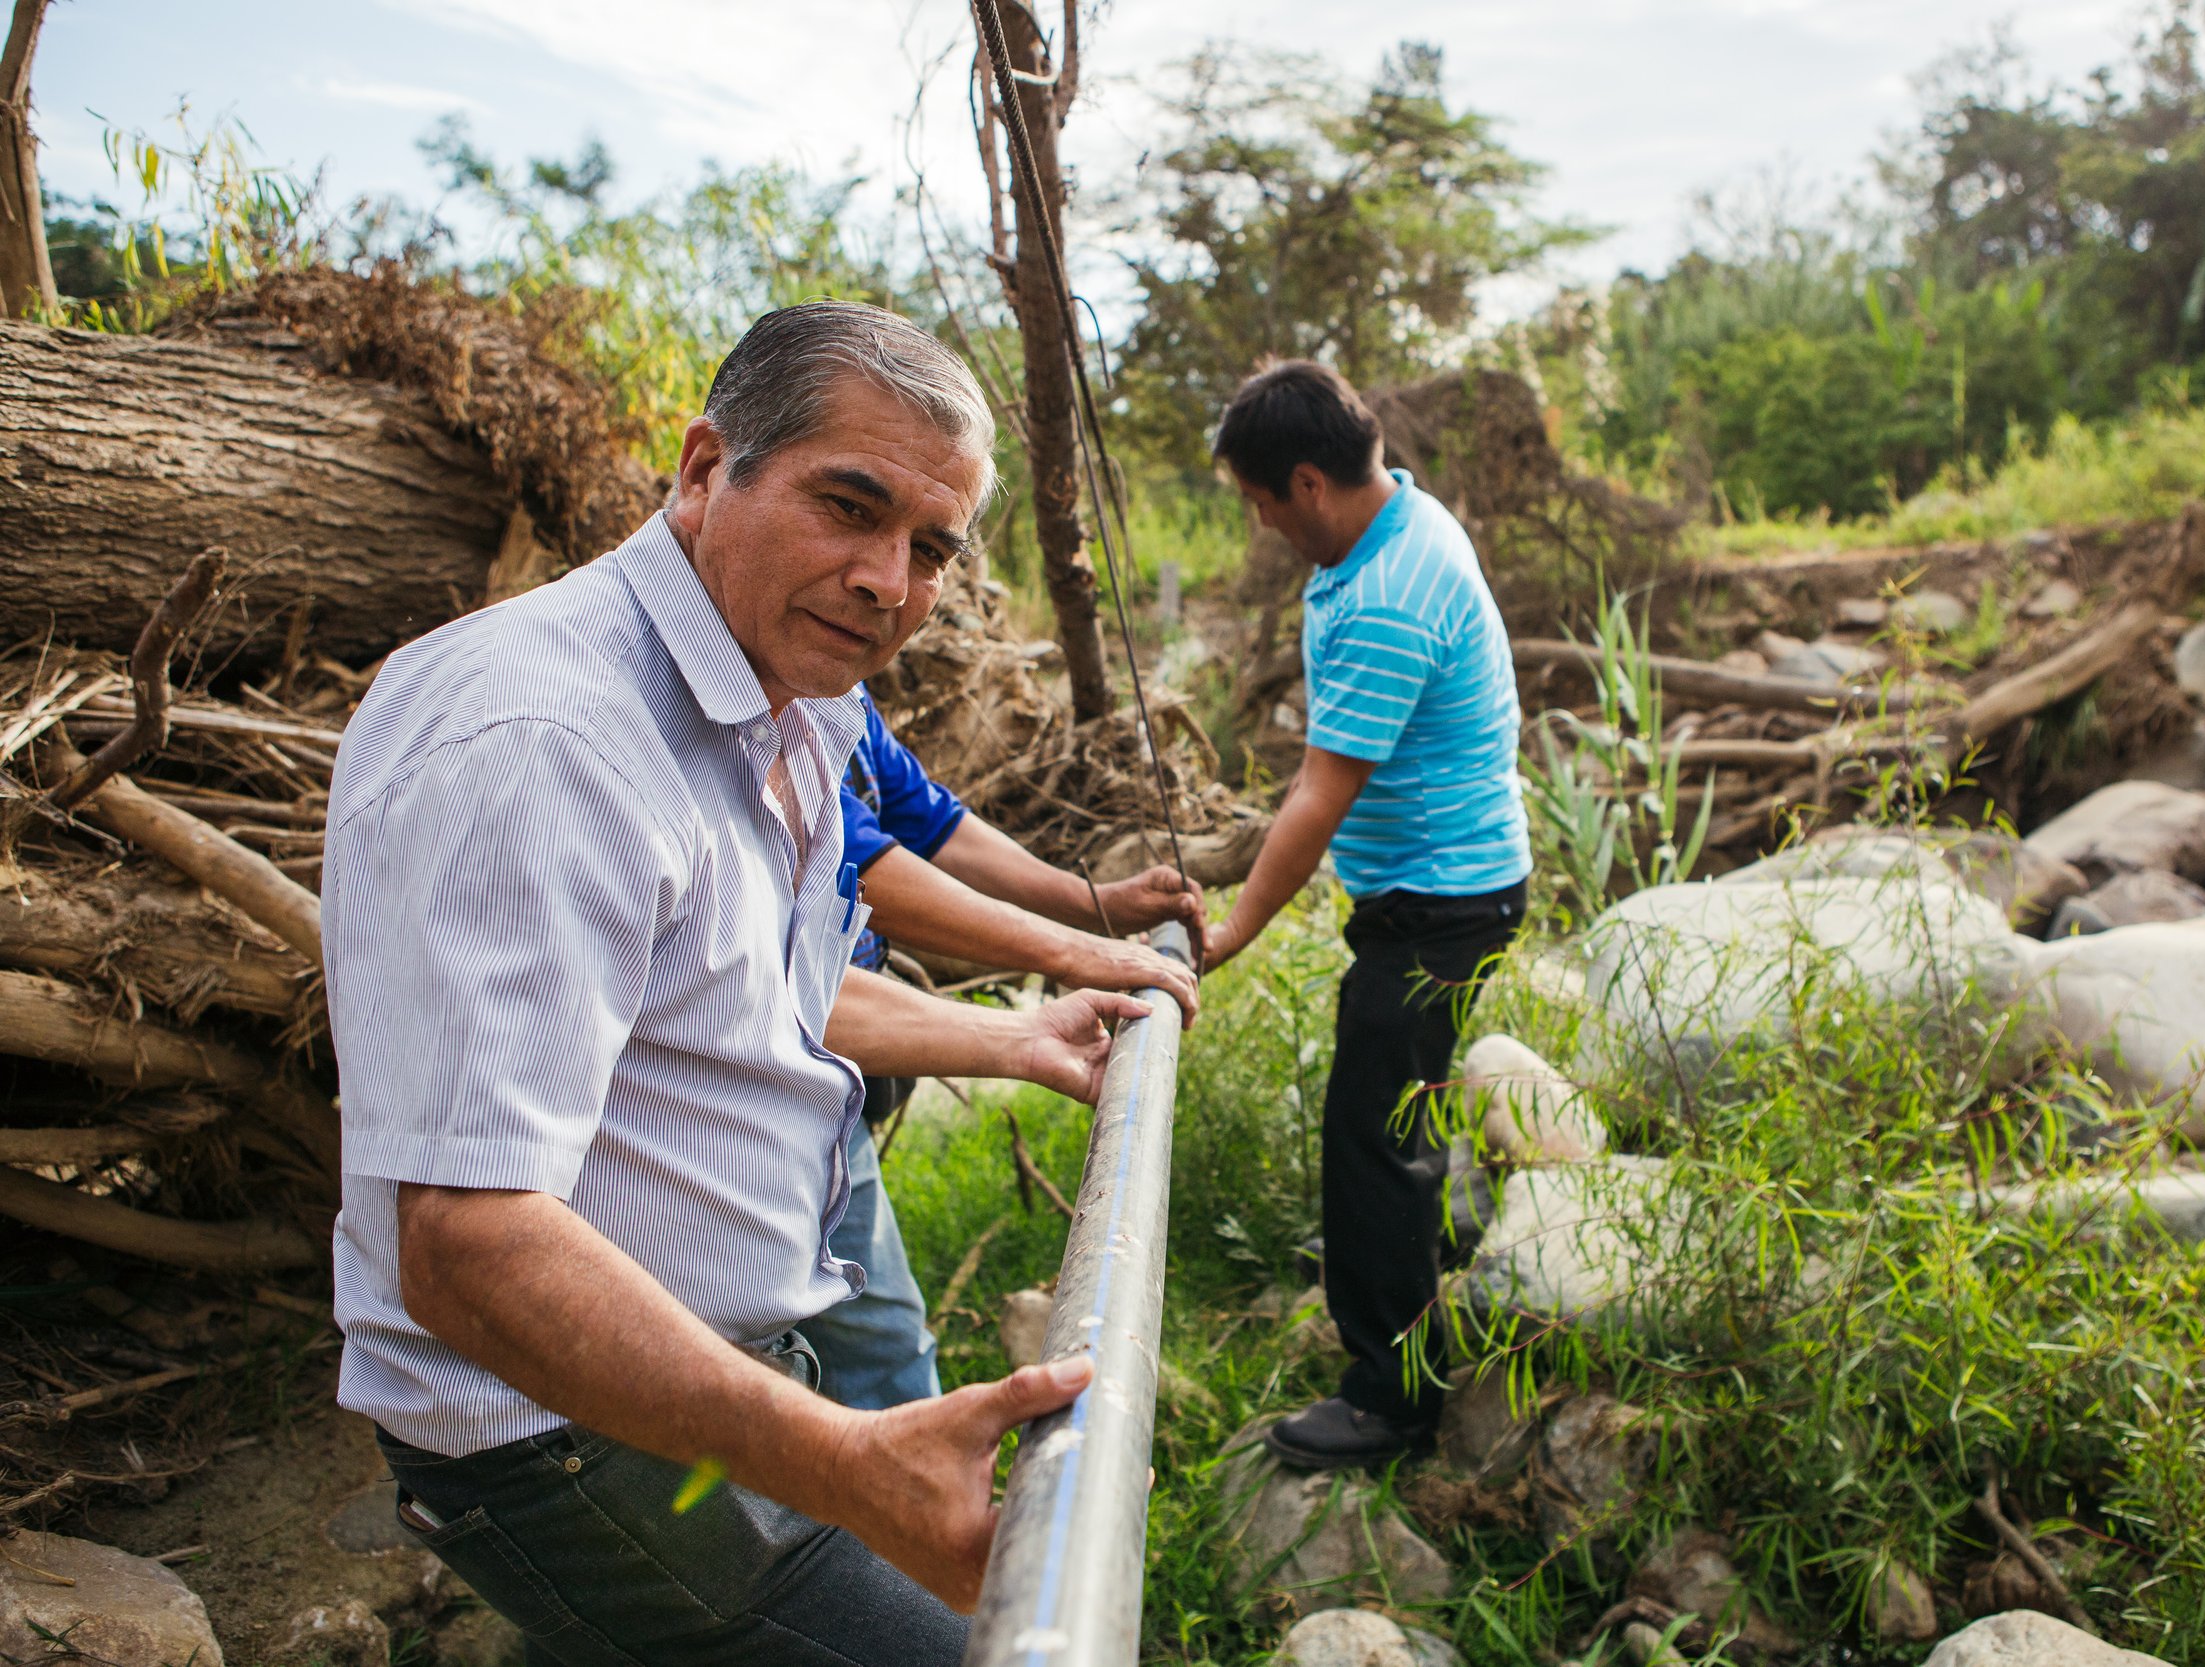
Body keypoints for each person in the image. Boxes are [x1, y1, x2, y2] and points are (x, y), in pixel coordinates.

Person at [324, 300, 1141, 1666]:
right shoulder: (542, 737)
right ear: (707, 471)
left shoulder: (796, 694)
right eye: (849, 506)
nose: (890, 579)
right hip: (566, 1438)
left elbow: (759, 993)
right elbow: (466, 1239)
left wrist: (1016, 1030)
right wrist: (845, 1457)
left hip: (711, 1374)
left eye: (930, 548)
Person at [1197, 359, 1531, 1470]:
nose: (1260, 523)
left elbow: (1319, 789)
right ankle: (1421, 1256)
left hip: (1439, 900)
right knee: (1399, 1105)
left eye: (1259, 501)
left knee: (1369, 1132)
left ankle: (1393, 1396)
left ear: (1307, 481)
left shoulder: (1392, 592)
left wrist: (1233, 925)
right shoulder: (1395, 514)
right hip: (1442, 882)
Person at [800, 689, 1203, 1410]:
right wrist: (1078, 950)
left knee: (871, 1341)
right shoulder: (763, 702)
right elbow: (850, 864)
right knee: (879, 1355)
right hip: (771, 1092)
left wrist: (1091, 902)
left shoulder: (843, 691)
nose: (891, 588)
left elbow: (929, 820)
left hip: (832, 1078)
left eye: (931, 566)